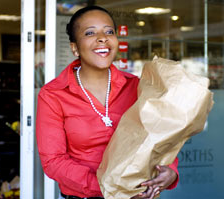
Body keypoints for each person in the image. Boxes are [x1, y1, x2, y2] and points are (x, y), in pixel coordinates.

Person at [36, 5, 179, 199]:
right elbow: (54, 162)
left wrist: (170, 170)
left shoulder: (137, 87)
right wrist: (113, 189)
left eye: (109, 31)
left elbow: (160, 138)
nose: (102, 37)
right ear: (75, 48)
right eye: (90, 32)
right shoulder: (53, 94)